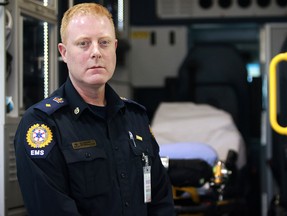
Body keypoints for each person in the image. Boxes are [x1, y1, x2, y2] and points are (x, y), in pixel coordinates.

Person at [14, 3, 175, 216]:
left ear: (115, 48)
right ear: (64, 52)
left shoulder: (135, 118)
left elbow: (160, 202)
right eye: (83, 44)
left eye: (104, 42)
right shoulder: (43, 125)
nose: (96, 52)